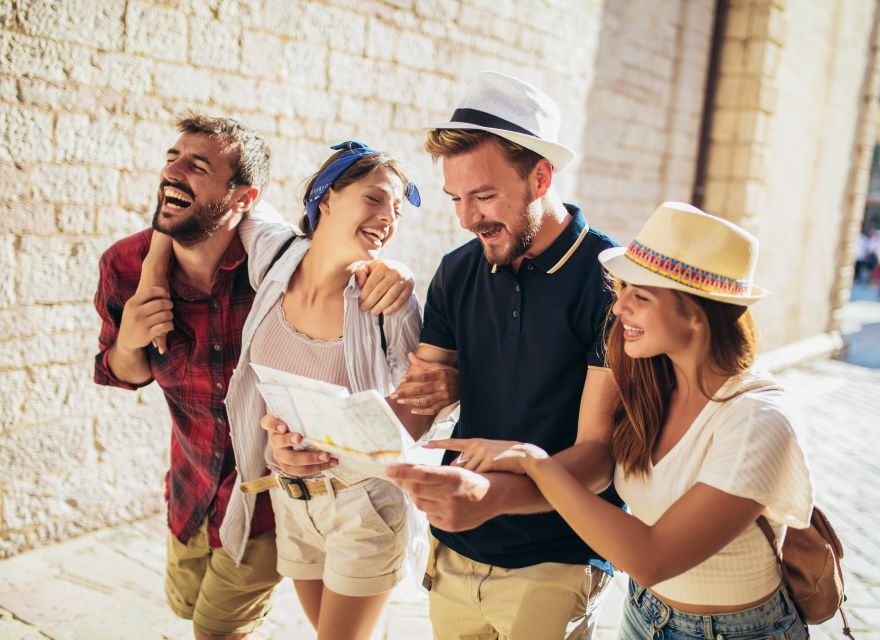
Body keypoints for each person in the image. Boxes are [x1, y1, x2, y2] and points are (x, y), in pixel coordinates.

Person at [93, 116, 414, 640]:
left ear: (243, 198)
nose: (173, 171)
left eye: (198, 166)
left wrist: (395, 269)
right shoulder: (125, 265)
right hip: (193, 488)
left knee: (216, 629)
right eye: (171, 158)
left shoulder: (271, 261)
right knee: (188, 606)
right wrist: (132, 331)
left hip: (271, 499)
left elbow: (332, 254)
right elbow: (124, 375)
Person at [432, 202, 815, 640]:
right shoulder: (651, 386)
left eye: (641, 296)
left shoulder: (758, 420)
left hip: (736, 631)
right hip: (644, 613)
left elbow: (653, 558)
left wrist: (533, 461)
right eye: (623, 291)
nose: (618, 309)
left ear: (695, 312)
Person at [383, 72, 624, 639]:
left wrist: (490, 497)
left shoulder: (613, 281)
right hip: (456, 548)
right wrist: (333, 442)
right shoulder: (458, 269)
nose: (467, 218)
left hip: (559, 554)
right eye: (456, 199)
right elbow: (416, 405)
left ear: (540, 176)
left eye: (484, 196)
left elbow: (598, 457)